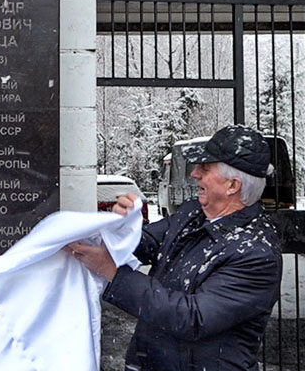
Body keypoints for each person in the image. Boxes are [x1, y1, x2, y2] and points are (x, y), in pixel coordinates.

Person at [67, 124, 282, 371]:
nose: (195, 174)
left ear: (232, 185)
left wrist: (114, 274)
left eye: (205, 168)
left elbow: (192, 318)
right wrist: (120, 228)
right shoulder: (194, 213)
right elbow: (146, 243)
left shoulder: (255, 253)